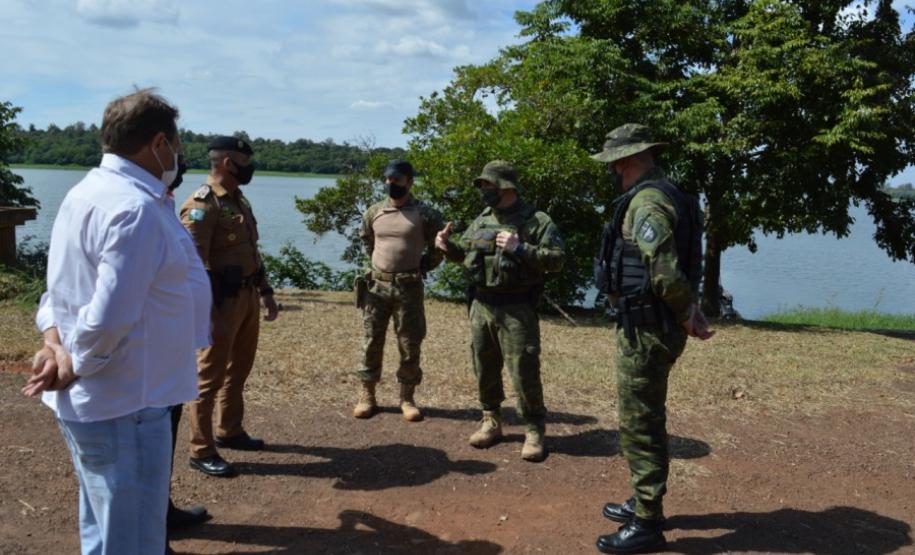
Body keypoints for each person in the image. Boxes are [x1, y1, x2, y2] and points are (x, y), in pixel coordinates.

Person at [22, 88, 211, 555]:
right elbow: (109, 316)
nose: (179, 153)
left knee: (105, 533)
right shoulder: (134, 209)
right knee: (131, 542)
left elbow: (58, 293)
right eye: (178, 142)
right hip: (125, 403)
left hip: (109, 401)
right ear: (159, 142)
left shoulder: (89, 192)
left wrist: (55, 345)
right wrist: (74, 362)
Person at [590, 124, 714, 554]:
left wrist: (686, 314)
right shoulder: (667, 193)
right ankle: (645, 501)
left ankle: (647, 521)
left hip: (647, 329)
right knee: (644, 417)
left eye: (613, 163)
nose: (612, 170)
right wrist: (688, 309)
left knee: (640, 423)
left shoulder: (647, 203)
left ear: (624, 161)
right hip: (650, 325)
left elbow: (662, 270)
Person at [435, 160, 565, 462]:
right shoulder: (482, 220)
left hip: (517, 307)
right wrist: (446, 246)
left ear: (506, 187)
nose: (483, 191)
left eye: (487, 185)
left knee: (524, 370)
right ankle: (491, 420)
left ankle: (534, 429)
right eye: (482, 186)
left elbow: (557, 260)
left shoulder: (536, 220)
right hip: (481, 305)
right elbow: (465, 254)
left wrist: (521, 248)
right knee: (484, 365)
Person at [180, 136, 278, 477]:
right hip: (219, 303)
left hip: (247, 297)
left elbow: (251, 251)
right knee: (208, 378)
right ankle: (201, 449)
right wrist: (207, 316)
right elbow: (192, 265)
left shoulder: (238, 200)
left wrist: (265, 292)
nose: (249, 165)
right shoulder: (203, 204)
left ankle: (230, 430)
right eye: (244, 160)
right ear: (226, 163)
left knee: (239, 371)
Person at [353, 159, 444, 421]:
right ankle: (367, 395)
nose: (391, 184)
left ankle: (407, 397)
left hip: (409, 288)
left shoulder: (426, 214)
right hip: (376, 287)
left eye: (397, 180)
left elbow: (439, 247)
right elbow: (368, 242)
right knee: (371, 341)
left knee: (409, 343)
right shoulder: (373, 213)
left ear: (409, 182)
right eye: (388, 179)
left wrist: (422, 266)